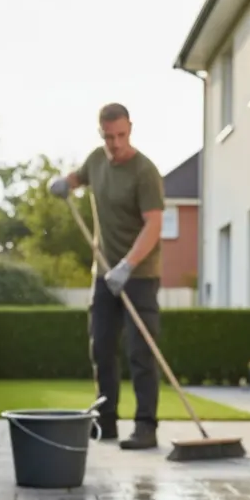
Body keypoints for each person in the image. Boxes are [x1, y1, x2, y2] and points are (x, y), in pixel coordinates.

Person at [49, 104, 166, 450]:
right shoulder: (96, 161)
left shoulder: (145, 172)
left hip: (139, 274)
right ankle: (107, 421)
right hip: (103, 273)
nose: (115, 143)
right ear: (100, 132)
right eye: (108, 136)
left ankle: (146, 426)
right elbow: (77, 178)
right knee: (101, 346)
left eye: (121, 135)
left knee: (140, 351)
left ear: (130, 128)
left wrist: (128, 266)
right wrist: (61, 183)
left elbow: (155, 224)